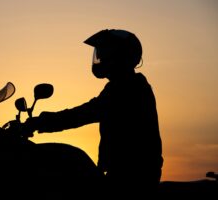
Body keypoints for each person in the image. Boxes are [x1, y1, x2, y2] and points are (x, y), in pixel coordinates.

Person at [25, 29, 163, 197]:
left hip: (132, 178)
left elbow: (84, 114)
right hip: (126, 173)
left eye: (105, 52)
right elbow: (88, 111)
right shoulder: (122, 86)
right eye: (100, 53)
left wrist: (39, 122)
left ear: (120, 56)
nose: (101, 58)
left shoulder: (129, 88)